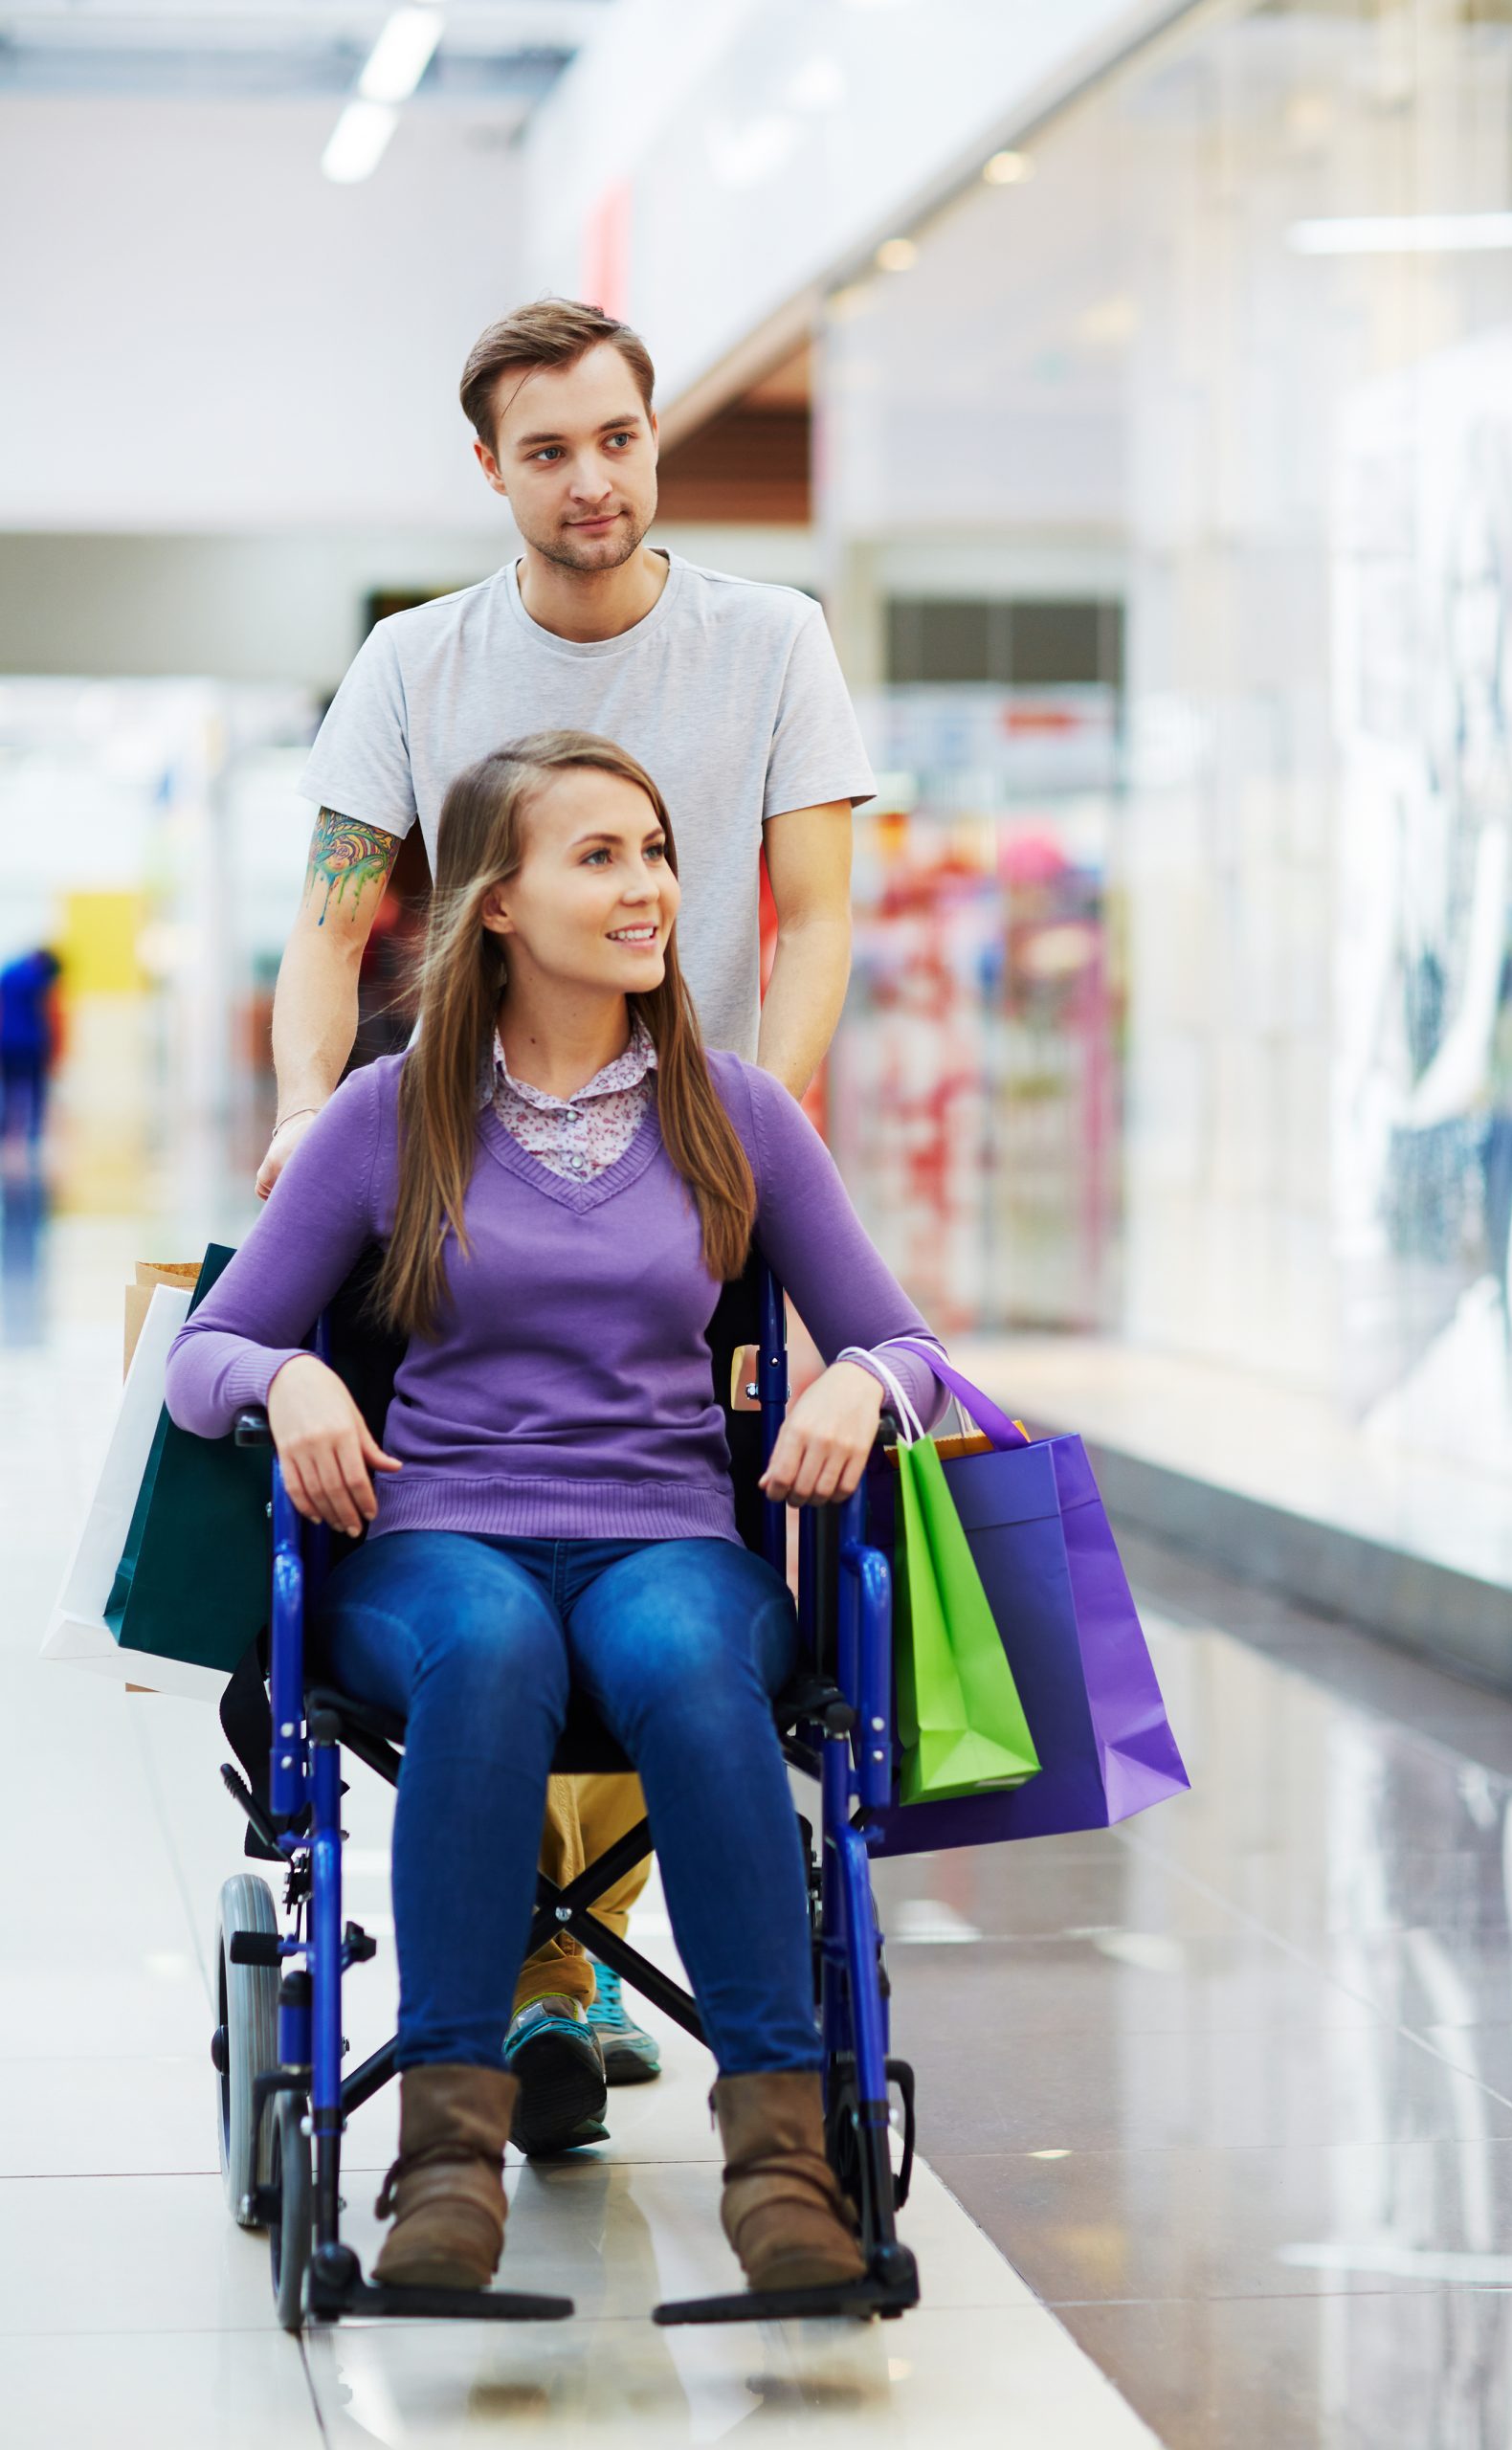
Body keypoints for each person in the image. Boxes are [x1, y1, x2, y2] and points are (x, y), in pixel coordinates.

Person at [167, 732, 943, 2297]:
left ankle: (782, 2169)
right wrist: (291, 1387)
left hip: (667, 1536)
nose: (647, 886)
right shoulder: (394, 1116)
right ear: (497, 904)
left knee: (689, 1655)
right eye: (599, 856)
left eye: (655, 852)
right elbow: (203, 1358)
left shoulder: (732, 1113)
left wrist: (863, 1388)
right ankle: (449, 2161)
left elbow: (912, 1346)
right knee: (487, 1642)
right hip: (437, 1538)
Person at [258, 297, 872, 2146]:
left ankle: (574, 1948)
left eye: (617, 438)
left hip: (687, 1150)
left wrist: (754, 1147)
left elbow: (816, 916)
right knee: (489, 1547)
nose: (590, 481)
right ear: (492, 472)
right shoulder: (415, 666)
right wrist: (306, 1115)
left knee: (661, 1549)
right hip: (451, 1143)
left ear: (650, 435)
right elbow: (333, 920)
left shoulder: (769, 641)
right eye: (548, 451)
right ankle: (539, 1962)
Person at [0, 947, 63, 1151]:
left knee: (9, 1087)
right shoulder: (38, 980)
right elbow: (49, 1014)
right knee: (36, 1088)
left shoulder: (8, 974)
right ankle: (34, 1130)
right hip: (31, 1042)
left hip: (7, 1041)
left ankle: (8, 1128)